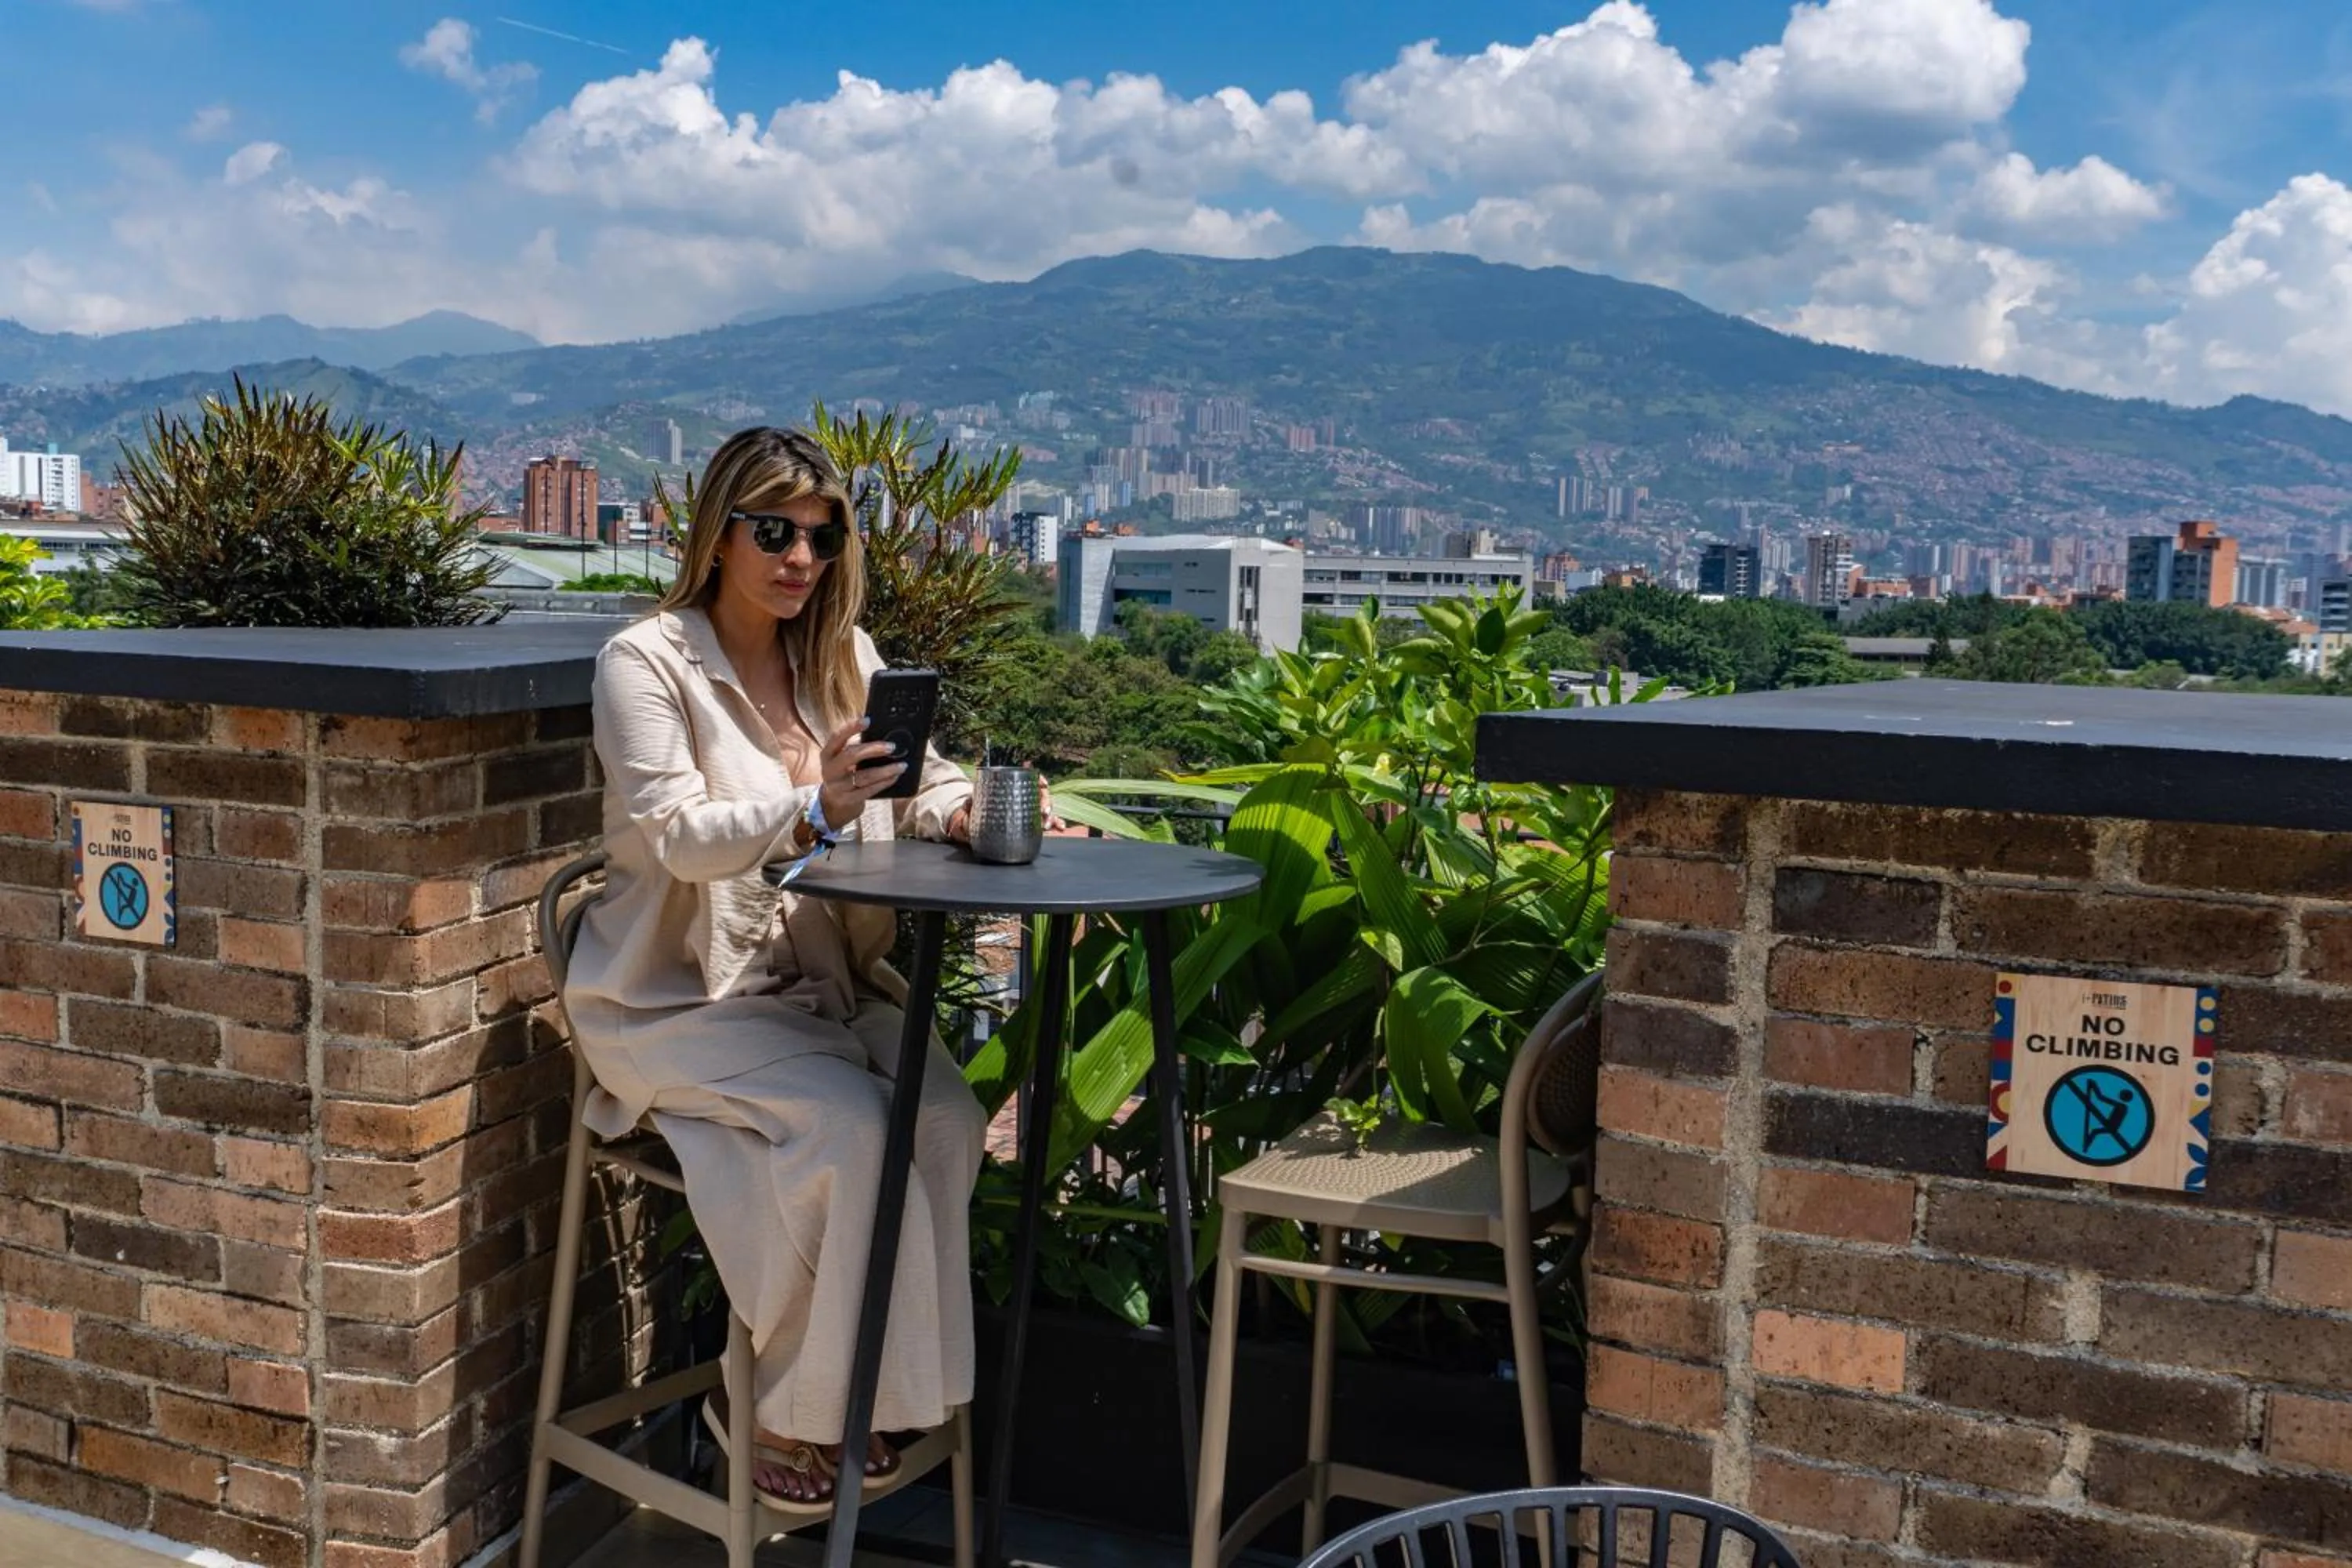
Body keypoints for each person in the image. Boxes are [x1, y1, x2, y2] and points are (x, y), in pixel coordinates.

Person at [561, 426, 989, 1505]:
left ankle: (867, 1397)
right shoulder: (645, 661)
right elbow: (678, 835)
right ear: (718, 534)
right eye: (774, 531)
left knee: (946, 1121)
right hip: (676, 1000)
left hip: (825, 988)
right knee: (852, 1132)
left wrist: (962, 807)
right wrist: (815, 807)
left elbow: (916, 778)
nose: (801, 556)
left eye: (823, 534)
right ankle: (776, 1408)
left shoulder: (844, 654)